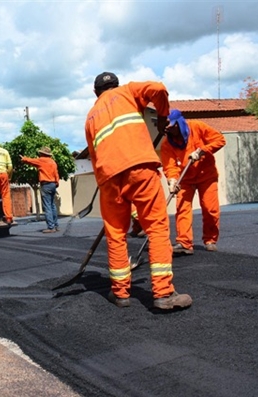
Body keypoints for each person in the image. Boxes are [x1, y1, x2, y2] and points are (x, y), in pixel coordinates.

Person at [84, 71, 192, 311]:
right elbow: (159, 89)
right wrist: (163, 117)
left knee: (116, 235)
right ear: (116, 85)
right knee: (156, 228)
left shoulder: (91, 116)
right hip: (140, 168)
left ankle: (120, 293)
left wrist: (105, 182)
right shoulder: (128, 92)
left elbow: (94, 155)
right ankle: (163, 293)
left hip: (109, 178)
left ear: (95, 93)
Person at [161, 109, 226, 255]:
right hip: (185, 179)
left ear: (179, 122)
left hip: (206, 176)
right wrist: (172, 180)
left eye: (172, 127)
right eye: (168, 129)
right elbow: (169, 165)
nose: (171, 131)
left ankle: (210, 239)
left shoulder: (197, 127)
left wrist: (202, 150)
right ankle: (184, 243)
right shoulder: (167, 144)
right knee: (182, 208)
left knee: (210, 209)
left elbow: (220, 140)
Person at [20, 146, 60, 233]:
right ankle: (56, 225)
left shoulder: (42, 160)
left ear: (42, 153)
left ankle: (51, 227)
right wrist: (57, 183)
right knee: (52, 205)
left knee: (47, 206)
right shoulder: (53, 162)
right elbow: (56, 174)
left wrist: (23, 159)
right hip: (53, 184)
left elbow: (31, 161)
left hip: (46, 184)